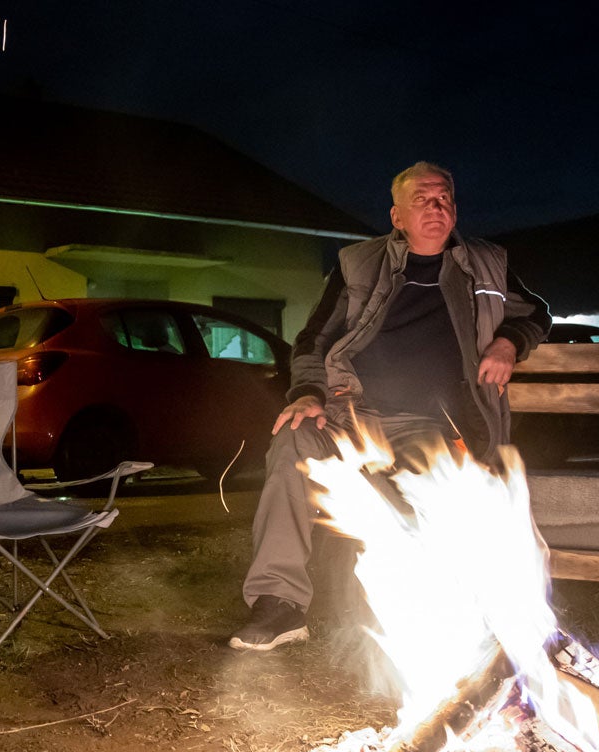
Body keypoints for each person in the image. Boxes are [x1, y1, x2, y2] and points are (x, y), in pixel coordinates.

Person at [230, 162, 551, 651]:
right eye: (421, 199)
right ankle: (279, 604)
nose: (435, 207)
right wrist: (308, 394)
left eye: (444, 197)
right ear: (397, 216)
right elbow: (315, 338)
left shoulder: (488, 263)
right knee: (292, 442)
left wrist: (508, 342)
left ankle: (445, 619)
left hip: (429, 427)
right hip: (346, 416)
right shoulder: (359, 264)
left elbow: (536, 312)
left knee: (440, 483)